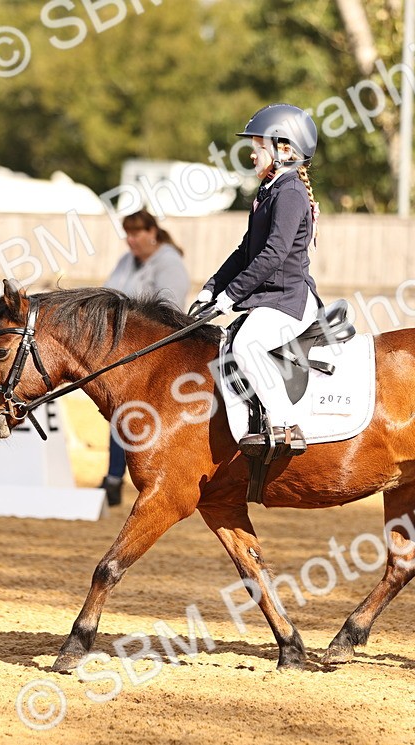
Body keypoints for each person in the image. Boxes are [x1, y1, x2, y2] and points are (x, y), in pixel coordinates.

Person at [192, 103, 321, 455]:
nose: (251, 154)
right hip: (270, 297)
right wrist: (211, 289)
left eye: (257, 146)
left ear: (284, 149)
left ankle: (286, 425)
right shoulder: (270, 191)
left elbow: (274, 255)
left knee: (247, 345)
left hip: (288, 299)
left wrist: (230, 297)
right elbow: (245, 250)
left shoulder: (291, 192)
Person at [99, 209, 190, 504]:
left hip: (160, 350)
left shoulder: (170, 263)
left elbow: (169, 311)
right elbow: (107, 296)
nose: (131, 240)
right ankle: (114, 477)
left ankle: (124, 477)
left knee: (129, 414)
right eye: (128, 233)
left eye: (137, 233)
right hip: (128, 350)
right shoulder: (127, 261)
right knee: (120, 413)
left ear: (152, 232)